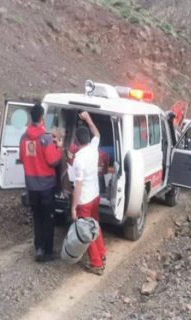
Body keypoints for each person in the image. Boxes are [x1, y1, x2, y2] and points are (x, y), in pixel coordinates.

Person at [19, 103, 62, 262]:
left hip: (31, 187)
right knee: (48, 218)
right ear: (42, 118)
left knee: (37, 217)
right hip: (46, 187)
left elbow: (23, 158)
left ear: (31, 118)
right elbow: (54, 161)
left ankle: (39, 248)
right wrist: (59, 148)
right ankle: (48, 252)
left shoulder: (23, 138)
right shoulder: (45, 138)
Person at [71, 111, 106, 275]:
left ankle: (97, 264)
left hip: (84, 199)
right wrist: (89, 120)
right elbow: (97, 133)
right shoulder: (93, 148)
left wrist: (73, 207)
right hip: (95, 196)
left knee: (87, 232)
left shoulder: (78, 159)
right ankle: (102, 254)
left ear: (77, 141)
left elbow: (78, 185)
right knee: (95, 226)